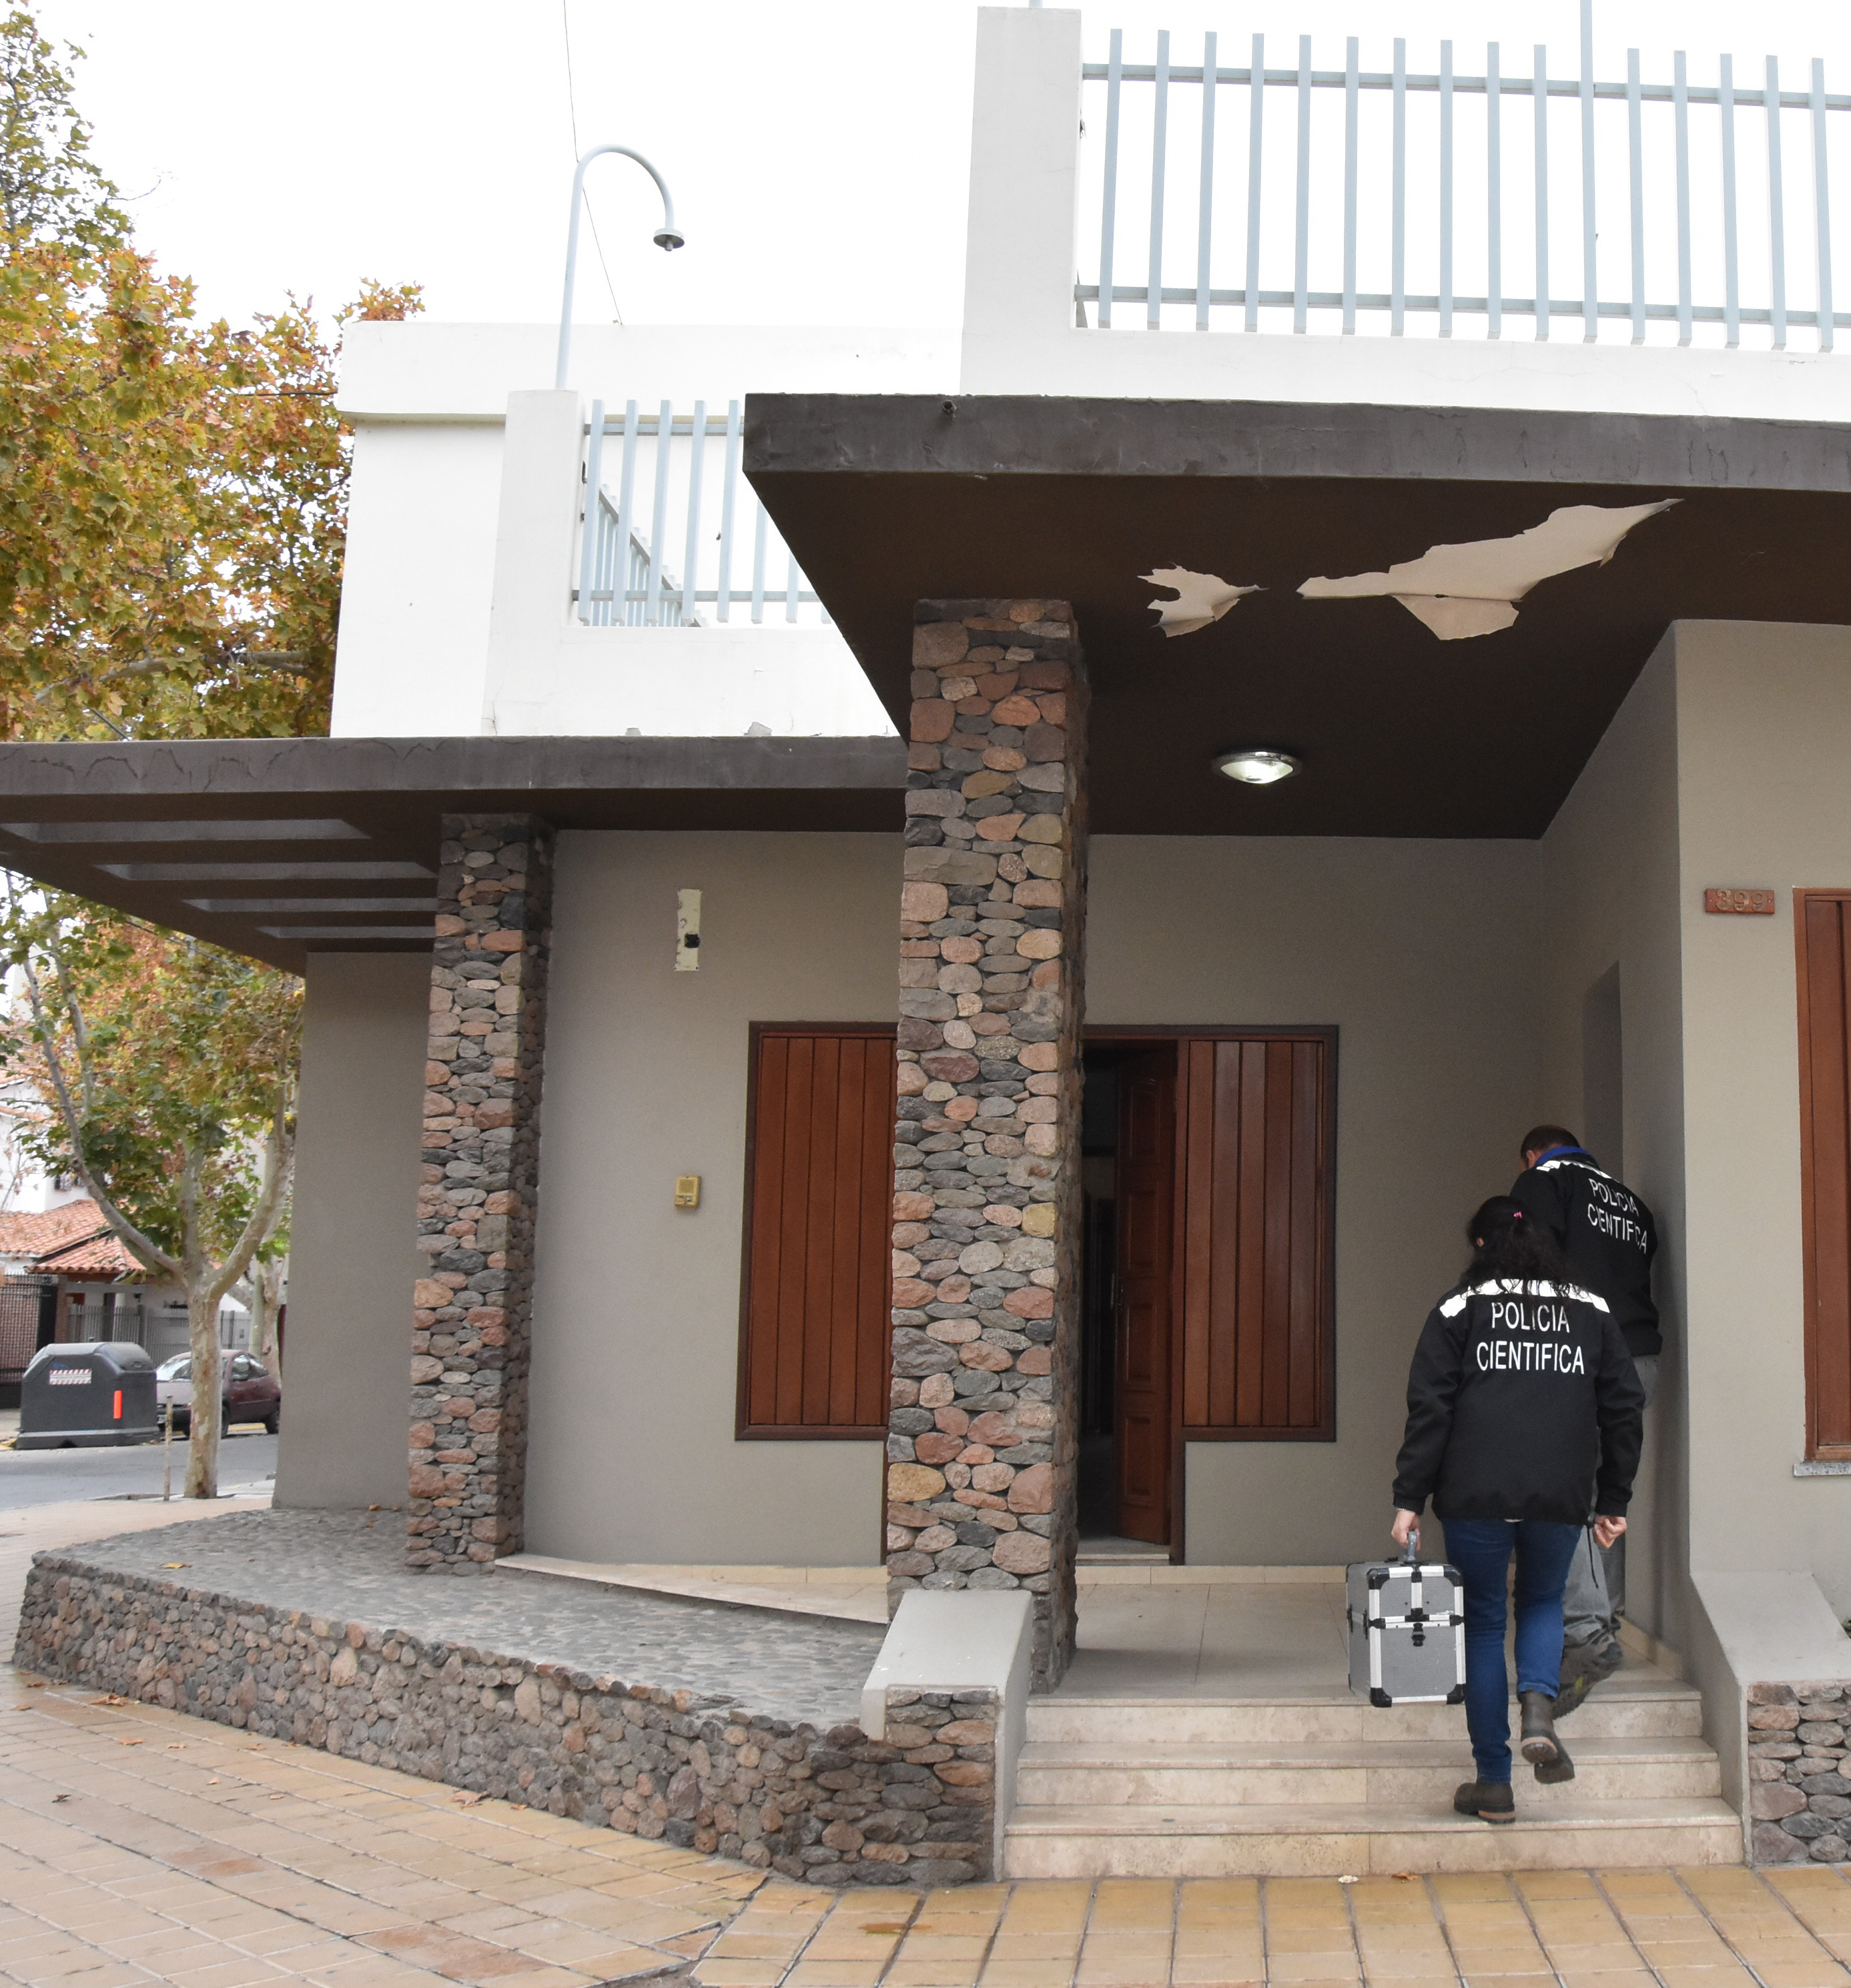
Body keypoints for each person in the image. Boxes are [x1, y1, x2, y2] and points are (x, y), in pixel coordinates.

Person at [1391, 1196, 1645, 1825]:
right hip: (1559, 1492)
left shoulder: (1459, 1308)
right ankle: (1537, 1708)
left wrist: (1409, 1498)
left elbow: (1431, 1409)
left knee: (1482, 1623)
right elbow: (1623, 1406)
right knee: (1540, 1603)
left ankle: (1494, 1783)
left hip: (1474, 1492)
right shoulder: (1589, 1310)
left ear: (1482, 1246)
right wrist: (1613, 1498)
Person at [1510, 1124, 1659, 1711]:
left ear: (1532, 1155)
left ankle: (1585, 1635)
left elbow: (1530, 1264)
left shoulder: (1543, 1180)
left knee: (1559, 1487)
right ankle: (1605, 1620)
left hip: (1584, 1355)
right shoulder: (1630, 1202)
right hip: (1642, 1360)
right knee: (1606, 1495)